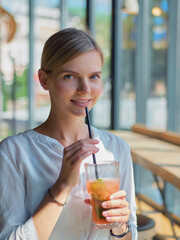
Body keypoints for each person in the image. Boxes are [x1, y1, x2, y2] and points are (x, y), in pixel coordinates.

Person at [0, 28, 137, 240]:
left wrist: (120, 227)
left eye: (94, 76)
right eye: (70, 76)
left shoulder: (116, 148)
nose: (85, 89)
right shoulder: (13, 152)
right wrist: (62, 186)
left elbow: (129, 236)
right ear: (44, 80)